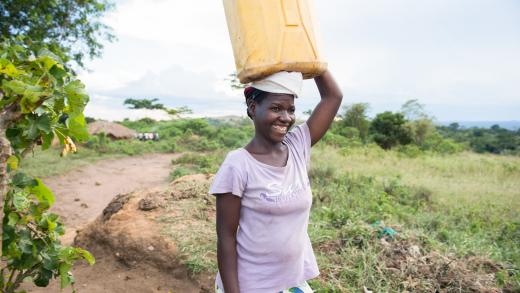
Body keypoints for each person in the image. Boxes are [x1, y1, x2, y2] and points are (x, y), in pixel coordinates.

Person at [210, 69, 343, 293]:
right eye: (276, 108)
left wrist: (314, 62)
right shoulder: (238, 164)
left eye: (291, 109)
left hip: (292, 281)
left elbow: (332, 97)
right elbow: (226, 238)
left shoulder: (297, 146)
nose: (286, 117)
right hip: (251, 284)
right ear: (253, 108)